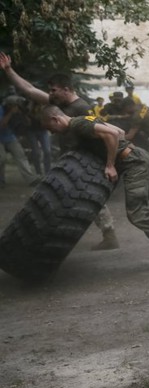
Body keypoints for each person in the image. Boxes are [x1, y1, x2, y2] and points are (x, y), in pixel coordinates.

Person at [40, 105, 149, 273]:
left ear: (55, 119)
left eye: (51, 128)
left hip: (133, 163)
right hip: (140, 156)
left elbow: (113, 134)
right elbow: (119, 131)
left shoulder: (77, 125)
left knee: (137, 212)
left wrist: (110, 164)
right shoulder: (85, 120)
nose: (52, 132)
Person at [0, 52, 120, 250]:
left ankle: (107, 234)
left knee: (87, 196)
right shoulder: (59, 104)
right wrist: (8, 69)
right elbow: (29, 90)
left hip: (84, 161)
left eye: (54, 90)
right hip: (71, 160)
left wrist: (106, 164)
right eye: (50, 90)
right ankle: (101, 234)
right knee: (67, 195)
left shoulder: (81, 108)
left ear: (66, 89)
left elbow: (105, 135)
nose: (51, 93)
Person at [0, 100, 40, 186]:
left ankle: (31, 179)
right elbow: (2, 125)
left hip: (10, 137)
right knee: (1, 157)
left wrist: (23, 114)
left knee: (21, 155)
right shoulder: (1, 109)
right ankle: (1, 180)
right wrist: (11, 112)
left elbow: (27, 124)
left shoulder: (17, 109)